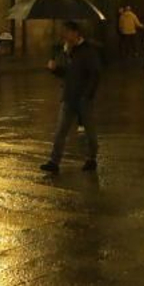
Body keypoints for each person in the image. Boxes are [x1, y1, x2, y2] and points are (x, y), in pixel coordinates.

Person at [40, 20, 103, 173]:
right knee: (61, 131)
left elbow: (95, 74)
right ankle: (54, 162)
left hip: (83, 98)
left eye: (67, 32)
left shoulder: (88, 51)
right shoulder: (69, 51)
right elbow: (67, 74)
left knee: (90, 132)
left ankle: (91, 159)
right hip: (68, 96)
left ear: (76, 33)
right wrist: (55, 69)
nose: (64, 35)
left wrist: (87, 95)